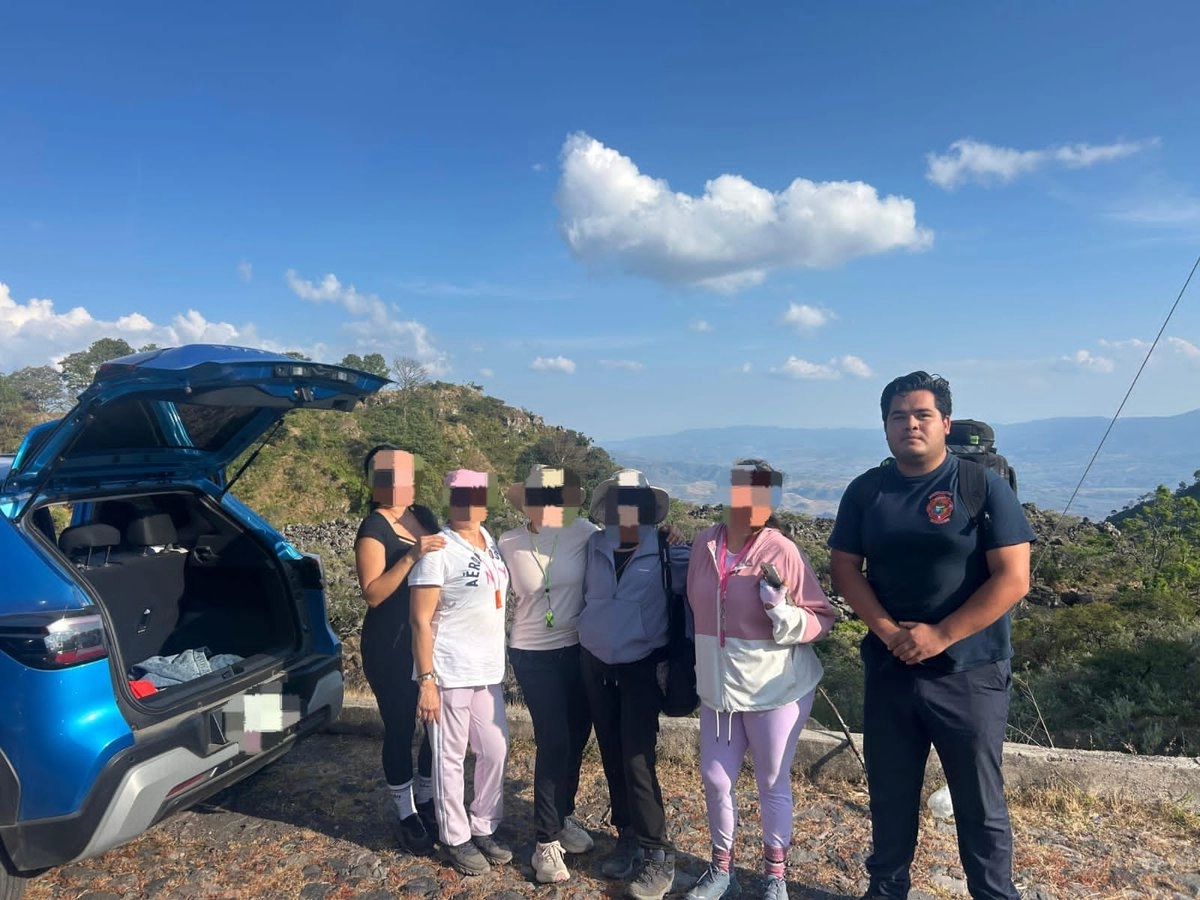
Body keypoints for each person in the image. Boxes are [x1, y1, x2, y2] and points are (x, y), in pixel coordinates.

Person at [828, 372, 1034, 900]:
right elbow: (846, 568)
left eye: (921, 415)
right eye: (898, 417)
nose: (910, 425)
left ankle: (993, 893)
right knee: (890, 795)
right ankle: (886, 889)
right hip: (891, 669)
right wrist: (891, 633)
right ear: (885, 427)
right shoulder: (867, 491)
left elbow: (1013, 577)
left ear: (944, 423)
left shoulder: (978, 485)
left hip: (971, 672)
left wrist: (941, 635)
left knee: (979, 803)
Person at [685, 459, 835, 900]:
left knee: (772, 780)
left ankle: (775, 876)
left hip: (776, 692)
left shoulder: (781, 549)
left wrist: (780, 610)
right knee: (715, 778)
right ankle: (721, 870)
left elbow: (821, 619)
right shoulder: (702, 545)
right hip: (719, 692)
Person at [578, 469, 690, 900]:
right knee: (610, 751)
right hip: (595, 662)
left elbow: (704, 584)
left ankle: (658, 853)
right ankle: (626, 833)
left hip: (642, 666)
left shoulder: (667, 550)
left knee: (637, 759)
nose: (625, 508)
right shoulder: (595, 544)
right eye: (619, 500)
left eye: (634, 501)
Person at [409, 468, 512, 877]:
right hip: (449, 671)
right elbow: (419, 620)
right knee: (448, 757)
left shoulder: (491, 542)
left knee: (495, 750)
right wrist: (426, 681)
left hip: (488, 670)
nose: (468, 505)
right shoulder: (438, 550)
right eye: (460, 497)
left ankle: (483, 825)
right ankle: (455, 837)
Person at [497, 465, 598, 884]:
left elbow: (624, 550)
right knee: (553, 740)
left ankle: (562, 814)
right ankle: (544, 843)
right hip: (532, 653)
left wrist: (669, 538)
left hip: (578, 650)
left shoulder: (586, 533)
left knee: (577, 738)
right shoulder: (507, 542)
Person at [353, 445, 442, 852]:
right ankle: (406, 812)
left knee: (436, 727)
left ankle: (426, 798)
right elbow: (373, 594)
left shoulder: (423, 516)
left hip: (433, 637)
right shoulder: (373, 528)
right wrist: (410, 555)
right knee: (402, 727)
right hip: (390, 642)